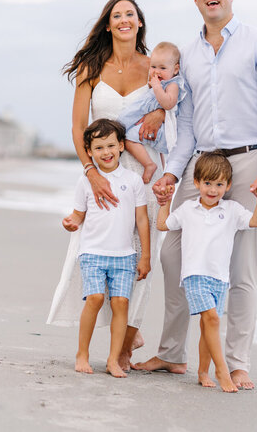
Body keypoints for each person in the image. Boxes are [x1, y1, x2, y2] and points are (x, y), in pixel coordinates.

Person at [134, 0, 257, 390]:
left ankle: (237, 362)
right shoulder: (187, 55)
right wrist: (170, 175)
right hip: (201, 163)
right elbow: (184, 127)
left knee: (240, 267)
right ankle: (171, 354)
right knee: (172, 254)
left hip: (249, 161)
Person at [47, 0, 165, 371]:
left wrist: (161, 112)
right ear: (109, 25)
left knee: (140, 256)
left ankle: (127, 342)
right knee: (97, 247)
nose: (124, 20)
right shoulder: (91, 67)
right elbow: (78, 127)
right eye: (117, 15)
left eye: (130, 14)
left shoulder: (153, 66)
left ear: (140, 22)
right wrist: (91, 173)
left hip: (146, 171)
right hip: (102, 167)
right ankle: (107, 333)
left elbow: (176, 102)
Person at [156, 152, 257, 392]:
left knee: (209, 326)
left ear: (228, 186)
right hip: (195, 274)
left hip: (219, 278)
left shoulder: (233, 209)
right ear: (196, 183)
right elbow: (163, 225)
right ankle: (221, 372)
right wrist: (164, 204)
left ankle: (203, 371)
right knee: (213, 319)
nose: (212, 189)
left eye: (219, 184)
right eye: (207, 183)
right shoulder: (187, 208)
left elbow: (255, 222)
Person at [61, 119, 151, 377]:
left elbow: (141, 220)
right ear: (89, 151)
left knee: (121, 303)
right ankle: (82, 353)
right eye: (99, 147)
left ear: (122, 146)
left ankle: (113, 359)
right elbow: (78, 214)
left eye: (111, 145)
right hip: (92, 252)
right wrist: (70, 222)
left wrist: (145, 256)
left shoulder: (133, 180)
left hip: (124, 255)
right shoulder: (86, 181)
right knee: (96, 298)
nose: (106, 152)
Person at [118, 41, 186, 183]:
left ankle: (149, 164)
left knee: (128, 136)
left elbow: (168, 103)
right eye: (153, 67)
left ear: (175, 69)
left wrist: (156, 88)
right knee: (122, 123)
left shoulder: (172, 84)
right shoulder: (158, 83)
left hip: (162, 132)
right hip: (146, 117)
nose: (156, 71)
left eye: (162, 68)